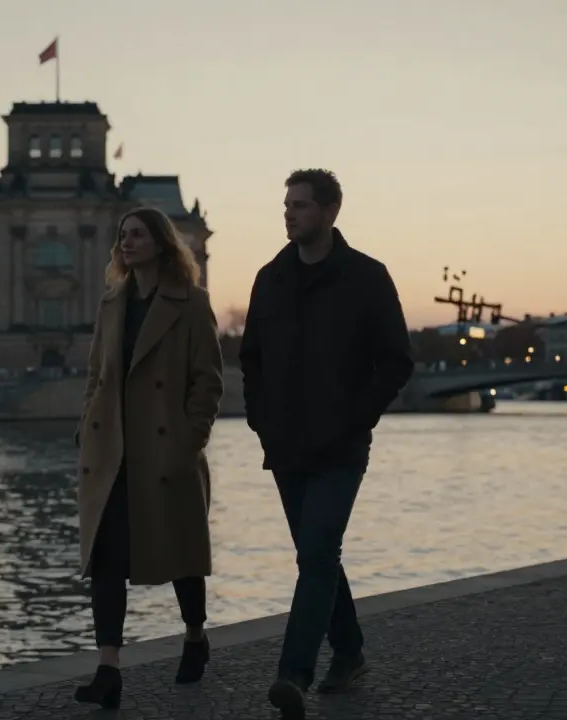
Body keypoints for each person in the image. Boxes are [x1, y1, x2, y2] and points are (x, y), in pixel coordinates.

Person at [240, 169, 414, 719]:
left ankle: (293, 673)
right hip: (285, 443)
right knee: (317, 556)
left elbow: (397, 360)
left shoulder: (367, 277)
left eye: (301, 205)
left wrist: (357, 418)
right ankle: (351, 651)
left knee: (316, 554)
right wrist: (259, 419)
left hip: (341, 445)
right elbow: (251, 359)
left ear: (331, 211)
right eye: (287, 204)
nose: (289, 213)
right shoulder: (270, 278)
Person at [73, 206, 225, 708]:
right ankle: (108, 670)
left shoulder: (192, 303)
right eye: (122, 236)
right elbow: (97, 374)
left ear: (161, 243)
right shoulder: (112, 301)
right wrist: (86, 428)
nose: (126, 243)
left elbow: (207, 380)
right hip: (113, 449)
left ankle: (195, 635)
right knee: (107, 559)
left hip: (164, 449)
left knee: (182, 554)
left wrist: (189, 440)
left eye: (137, 235)